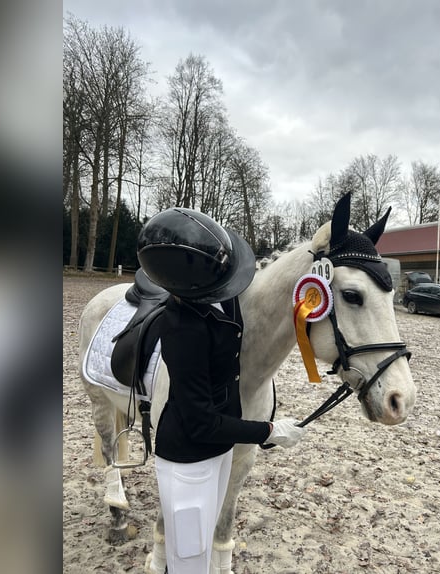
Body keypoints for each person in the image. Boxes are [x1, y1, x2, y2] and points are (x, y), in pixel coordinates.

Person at [136, 207, 307, 574]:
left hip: (218, 455)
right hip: (188, 461)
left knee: (198, 548)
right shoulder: (184, 329)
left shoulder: (214, 301)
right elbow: (202, 423)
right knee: (189, 562)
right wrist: (269, 431)